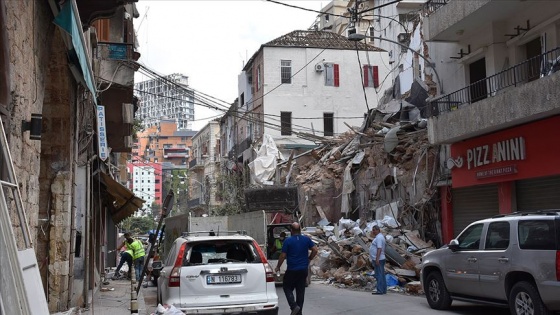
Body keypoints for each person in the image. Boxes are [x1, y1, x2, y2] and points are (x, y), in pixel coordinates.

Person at [275, 222, 318, 315]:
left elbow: (283, 256)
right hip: (303, 270)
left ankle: (294, 306)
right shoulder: (306, 239)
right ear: (300, 230)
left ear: (291, 231)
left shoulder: (288, 241)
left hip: (292, 269)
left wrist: (278, 266)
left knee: (286, 287)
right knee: (300, 291)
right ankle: (299, 312)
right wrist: (309, 258)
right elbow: (315, 249)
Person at [369, 225, 387, 295]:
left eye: (374, 230)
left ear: (378, 230)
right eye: (372, 230)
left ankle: (379, 290)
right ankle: (383, 289)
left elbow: (379, 248)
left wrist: (377, 259)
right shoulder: (379, 237)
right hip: (380, 258)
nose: (373, 231)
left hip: (379, 259)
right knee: (381, 274)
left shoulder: (379, 238)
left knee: (379, 275)